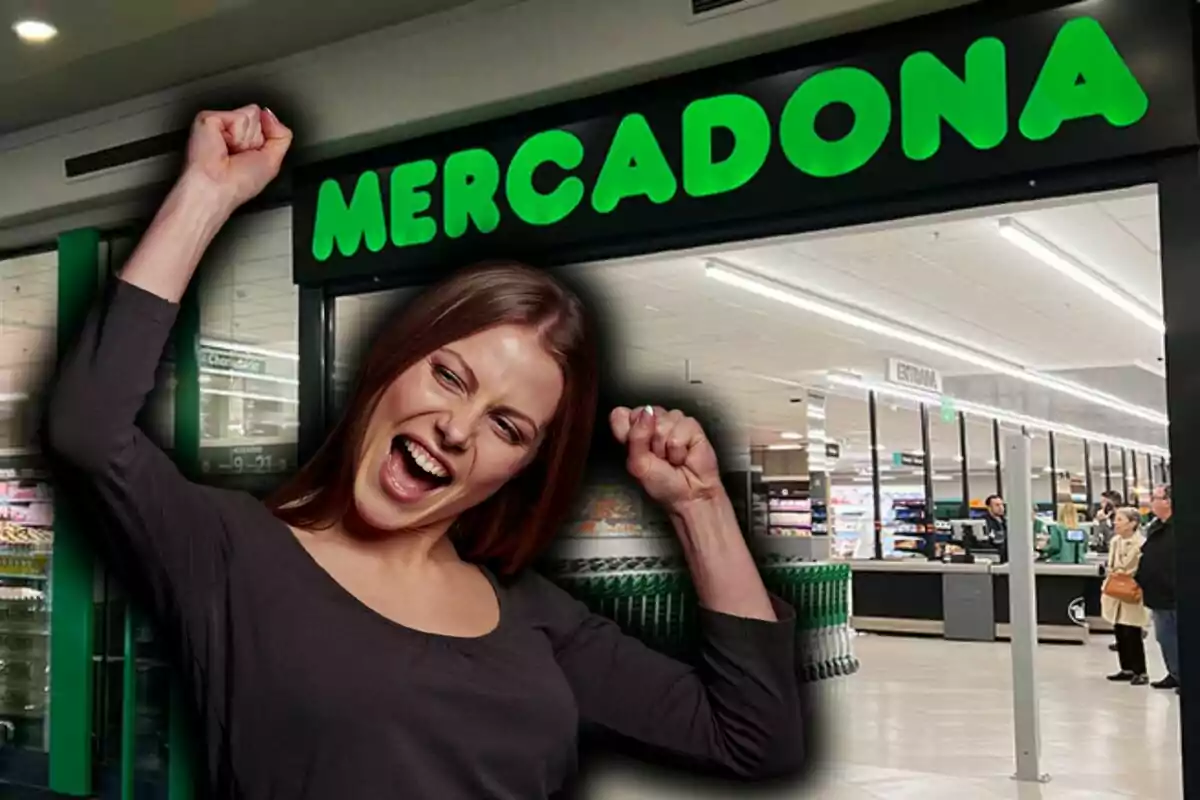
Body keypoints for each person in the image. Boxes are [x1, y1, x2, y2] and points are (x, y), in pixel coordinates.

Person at [42, 106, 806, 798]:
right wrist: (206, 193)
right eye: (448, 375)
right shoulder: (232, 555)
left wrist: (700, 507)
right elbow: (88, 427)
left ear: (521, 468)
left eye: (507, 427)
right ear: (393, 364)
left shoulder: (530, 612)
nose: (456, 429)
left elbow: (753, 739)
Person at [1136, 484, 1177, 691]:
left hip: (1173, 593)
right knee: (1164, 637)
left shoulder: (1178, 528)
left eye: (1155, 497)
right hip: (1157, 593)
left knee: (1176, 637)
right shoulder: (1155, 527)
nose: (1151, 501)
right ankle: (1174, 673)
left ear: (1168, 501)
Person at [1102, 507, 1149, 685]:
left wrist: (1121, 573)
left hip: (1132, 590)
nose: (1115, 523)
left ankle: (1140, 671)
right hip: (1115, 590)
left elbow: (1135, 567)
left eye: (1120, 519)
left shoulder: (1141, 544)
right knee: (1120, 629)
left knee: (1132, 631)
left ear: (1133, 523)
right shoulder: (1115, 541)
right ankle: (1126, 668)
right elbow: (1112, 563)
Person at [982, 494, 1008, 561]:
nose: (1001, 507)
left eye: (1002, 504)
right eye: (997, 505)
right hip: (993, 556)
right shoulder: (984, 522)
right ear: (989, 507)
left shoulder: (1005, 520)